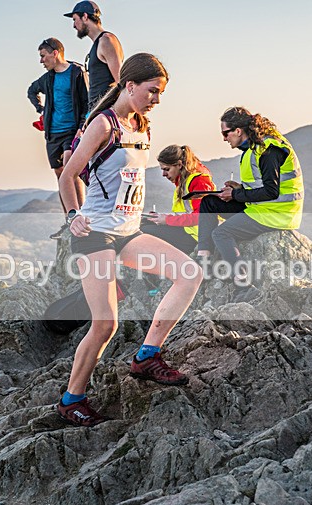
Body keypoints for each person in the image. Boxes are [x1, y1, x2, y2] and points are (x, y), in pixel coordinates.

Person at [56, 53, 203, 427]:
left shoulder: (142, 126)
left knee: (190, 273)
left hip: (129, 232)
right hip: (96, 236)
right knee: (105, 325)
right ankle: (72, 399)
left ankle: (147, 356)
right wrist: (74, 216)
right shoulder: (103, 125)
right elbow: (68, 175)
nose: (156, 99)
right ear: (130, 84)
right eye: (152, 91)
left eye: (161, 93)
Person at [197, 106, 304, 282]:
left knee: (221, 233)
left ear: (238, 131)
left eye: (225, 133)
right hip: (263, 207)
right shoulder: (253, 148)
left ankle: (242, 281)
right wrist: (239, 189)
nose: (224, 139)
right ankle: (203, 259)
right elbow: (263, 185)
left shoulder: (268, 150)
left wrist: (236, 195)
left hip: (276, 214)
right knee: (209, 202)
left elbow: (271, 191)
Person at [27, 37, 89, 212]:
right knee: (60, 175)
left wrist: (82, 128)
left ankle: (81, 212)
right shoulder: (48, 78)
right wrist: (41, 109)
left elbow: (88, 103)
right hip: (53, 133)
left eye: (43, 56)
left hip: (72, 131)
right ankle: (69, 217)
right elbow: (31, 90)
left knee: (71, 169)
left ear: (55, 53)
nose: (41, 60)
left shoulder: (77, 73)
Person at [142, 145, 216, 254]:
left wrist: (167, 220)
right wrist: (161, 218)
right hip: (187, 230)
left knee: (143, 232)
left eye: (167, 169)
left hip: (196, 236)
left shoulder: (198, 182)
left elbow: (201, 217)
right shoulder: (184, 182)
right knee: (143, 223)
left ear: (179, 165)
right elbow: (186, 212)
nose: (163, 174)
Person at [64, 1, 124, 113]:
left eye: (74, 19)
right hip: (95, 111)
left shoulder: (107, 40)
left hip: (105, 112)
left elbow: (122, 82)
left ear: (85, 16)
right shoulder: (98, 43)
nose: (73, 25)